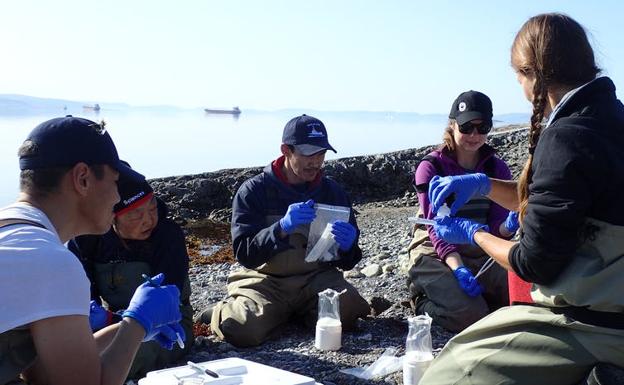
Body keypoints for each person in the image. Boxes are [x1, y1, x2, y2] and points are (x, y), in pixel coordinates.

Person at [419, 13, 624, 384]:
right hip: (613, 302)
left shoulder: (567, 136)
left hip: (595, 319)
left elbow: (533, 263)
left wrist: (474, 233)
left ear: (532, 74)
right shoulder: (610, 116)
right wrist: (483, 184)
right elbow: (558, 198)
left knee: (449, 374)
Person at [0, 116, 184, 385]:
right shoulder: (50, 261)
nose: (117, 197)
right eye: (114, 181)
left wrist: (128, 328)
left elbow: (41, 374)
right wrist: (137, 323)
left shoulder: (16, 236)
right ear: (83, 178)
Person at [194, 114, 371, 347]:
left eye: (321, 154)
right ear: (286, 150)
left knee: (349, 312)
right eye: (308, 153)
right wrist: (280, 228)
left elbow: (348, 262)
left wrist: (349, 247)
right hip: (265, 281)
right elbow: (245, 254)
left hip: (315, 279)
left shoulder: (333, 192)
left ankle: (288, 314)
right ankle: (220, 311)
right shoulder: (253, 191)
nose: (316, 162)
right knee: (240, 329)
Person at [69, 163, 193, 380]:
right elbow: (81, 297)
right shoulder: (87, 239)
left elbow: (167, 301)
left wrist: (115, 321)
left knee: (112, 358)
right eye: (136, 215)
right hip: (113, 322)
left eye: (153, 208)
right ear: (111, 217)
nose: (148, 220)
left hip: (165, 327)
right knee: (65, 356)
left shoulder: (167, 235)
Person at [406, 90, 515, 332]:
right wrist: (458, 268)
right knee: (470, 317)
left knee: (523, 297)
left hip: (481, 249)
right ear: (453, 125)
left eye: (482, 127)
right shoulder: (431, 167)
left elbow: (497, 228)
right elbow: (436, 230)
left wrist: (509, 226)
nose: (474, 135)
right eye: (467, 127)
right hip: (437, 252)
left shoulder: (497, 169)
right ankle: (422, 301)